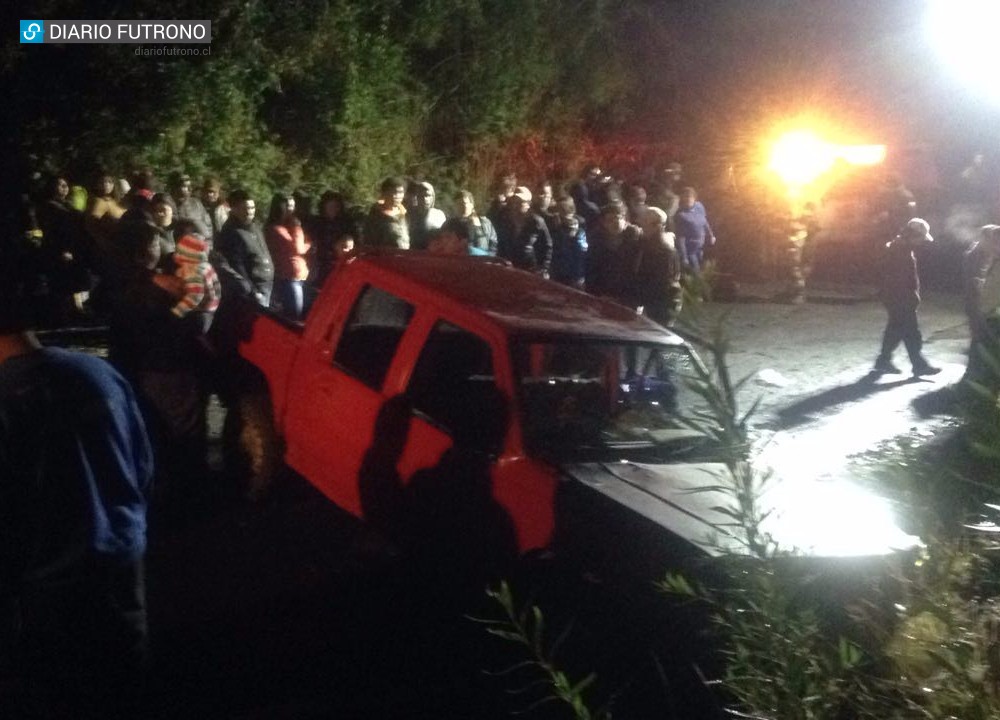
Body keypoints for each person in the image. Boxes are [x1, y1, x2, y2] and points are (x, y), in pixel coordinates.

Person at [0, 285, 154, 719]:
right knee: (126, 691)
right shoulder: (99, 373)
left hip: (50, 595)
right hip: (124, 573)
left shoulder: (7, 402)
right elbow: (142, 466)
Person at [872, 218, 941, 376]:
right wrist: (911, 297)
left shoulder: (899, 248)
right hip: (900, 298)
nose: (921, 242)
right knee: (911, 332)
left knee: (895, 329)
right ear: (912, 235)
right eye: (920, 238)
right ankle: (919, 365)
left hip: (894, 297)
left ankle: (883, 361)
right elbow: (900, 279)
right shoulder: (899, 251)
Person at [213, 189, 274, 307]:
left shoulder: (255, 227)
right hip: (253, 289)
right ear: (234, 209)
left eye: (252, 208)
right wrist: (253, 290)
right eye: (245, 208)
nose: (250, 212)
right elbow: (236, 265)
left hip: (267, 284)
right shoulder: (231, 232)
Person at [962, 224, 1000, 382]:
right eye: (993, 240)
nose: (994, 244)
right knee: (979, 340)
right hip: (980, 307)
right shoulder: (976, 255)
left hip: (988, 311)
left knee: (982, 343)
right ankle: (974, 377)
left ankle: (976, 378)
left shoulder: (991, 256)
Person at [264, 193, 311, 319]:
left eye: (293, 206)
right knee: (294, 316)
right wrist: (298, 228)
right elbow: (298, 248)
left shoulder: (287, 226)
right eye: (288, 206)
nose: (291, 210)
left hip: (300, 277)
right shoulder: (275, 229)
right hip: (289, 278)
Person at [586, 201, 642, 306]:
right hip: (604, 294)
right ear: (603, 223)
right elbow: (592, 268)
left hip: (628, 295)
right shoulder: (597, 239)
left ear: (625, 219)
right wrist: (597, 294)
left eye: (618, 218)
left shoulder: (636, 237)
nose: (615, 222)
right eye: (610, 220)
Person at [635, 206, 683, 327]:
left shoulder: (663, 250)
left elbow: (662, 282)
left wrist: (640, 299)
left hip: (661, 304)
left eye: (645, 223)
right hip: (656, 302)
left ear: (658, 225)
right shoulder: (647, 244)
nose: (642, 226)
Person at [171, 225, 221, 335]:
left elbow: (196, 295)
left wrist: (178, 311)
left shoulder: (193, 270)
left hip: (199, 314)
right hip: (210, 310)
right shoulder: (205, 265)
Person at [496, 186, 553, 276]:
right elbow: (501, 243)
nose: (516, 204)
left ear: (528, 203)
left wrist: (544, 268)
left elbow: (548, 245)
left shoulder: (536, 221)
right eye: (515, 200)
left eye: (520, 201)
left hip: (530, 270)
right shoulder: (506, 219)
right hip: (508, 269)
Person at [674, 186, 717, 274]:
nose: (688, 199)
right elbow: (680, 238)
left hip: (701, 248)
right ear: (682, 199)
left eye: (690, 196)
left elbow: (705, 221)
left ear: (694, 198)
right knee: (696, 274)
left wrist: (711, 235)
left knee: (706, 271)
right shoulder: (681, 215)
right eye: (685, 197)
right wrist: (684, 257)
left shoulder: (699, 206)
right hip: (690, 251)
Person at [549, 196, 588, 289]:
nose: (559, 214)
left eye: (563, 210)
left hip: (575, 275)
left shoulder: (579, 226)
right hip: (557, 272)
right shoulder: (554, 226)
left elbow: (581, 251)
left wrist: (573, 233)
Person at [363, 177, 409, 249]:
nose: (396, 196)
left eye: (400, 192)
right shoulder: (376, 215)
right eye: (393, 192)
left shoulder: (406, 214)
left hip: (404, 257)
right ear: (384, 193)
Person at [168, 171, 212, 240]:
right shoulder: (166, 204)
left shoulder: (196, 203)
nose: (189, 189)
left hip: (199, 247)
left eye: (190, 186)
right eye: (184, 186)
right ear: (174, 187)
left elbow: (208, 228)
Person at [453, 190, 497, 255]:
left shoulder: (484, 223)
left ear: (472, 205)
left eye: (465, 203)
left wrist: (477, 227)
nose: (462, 206)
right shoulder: (450, 224)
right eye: (458, 203)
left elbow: (491, 245)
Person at [407, 181, 446, 251]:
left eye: (428, 195)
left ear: (433, 197)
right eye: (421, 196)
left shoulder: (439, 215)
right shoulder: (409, 214)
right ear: (417, 197)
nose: (425, 199)